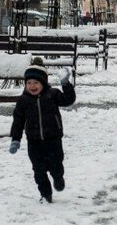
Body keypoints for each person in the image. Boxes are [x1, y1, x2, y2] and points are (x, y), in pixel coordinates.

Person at [8, 58, 76, 204]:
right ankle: (46, 194)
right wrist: (15, 139)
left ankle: (58, 178)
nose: (32, 86)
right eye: (29, 83)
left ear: (43, 83)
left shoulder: (53, 94)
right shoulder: (23, 101)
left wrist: (65, 84)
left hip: (53, 139)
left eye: (36, 83)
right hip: (34, 142)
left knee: (56, 164)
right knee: (38, 170)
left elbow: (68, 100)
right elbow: (18, 121)